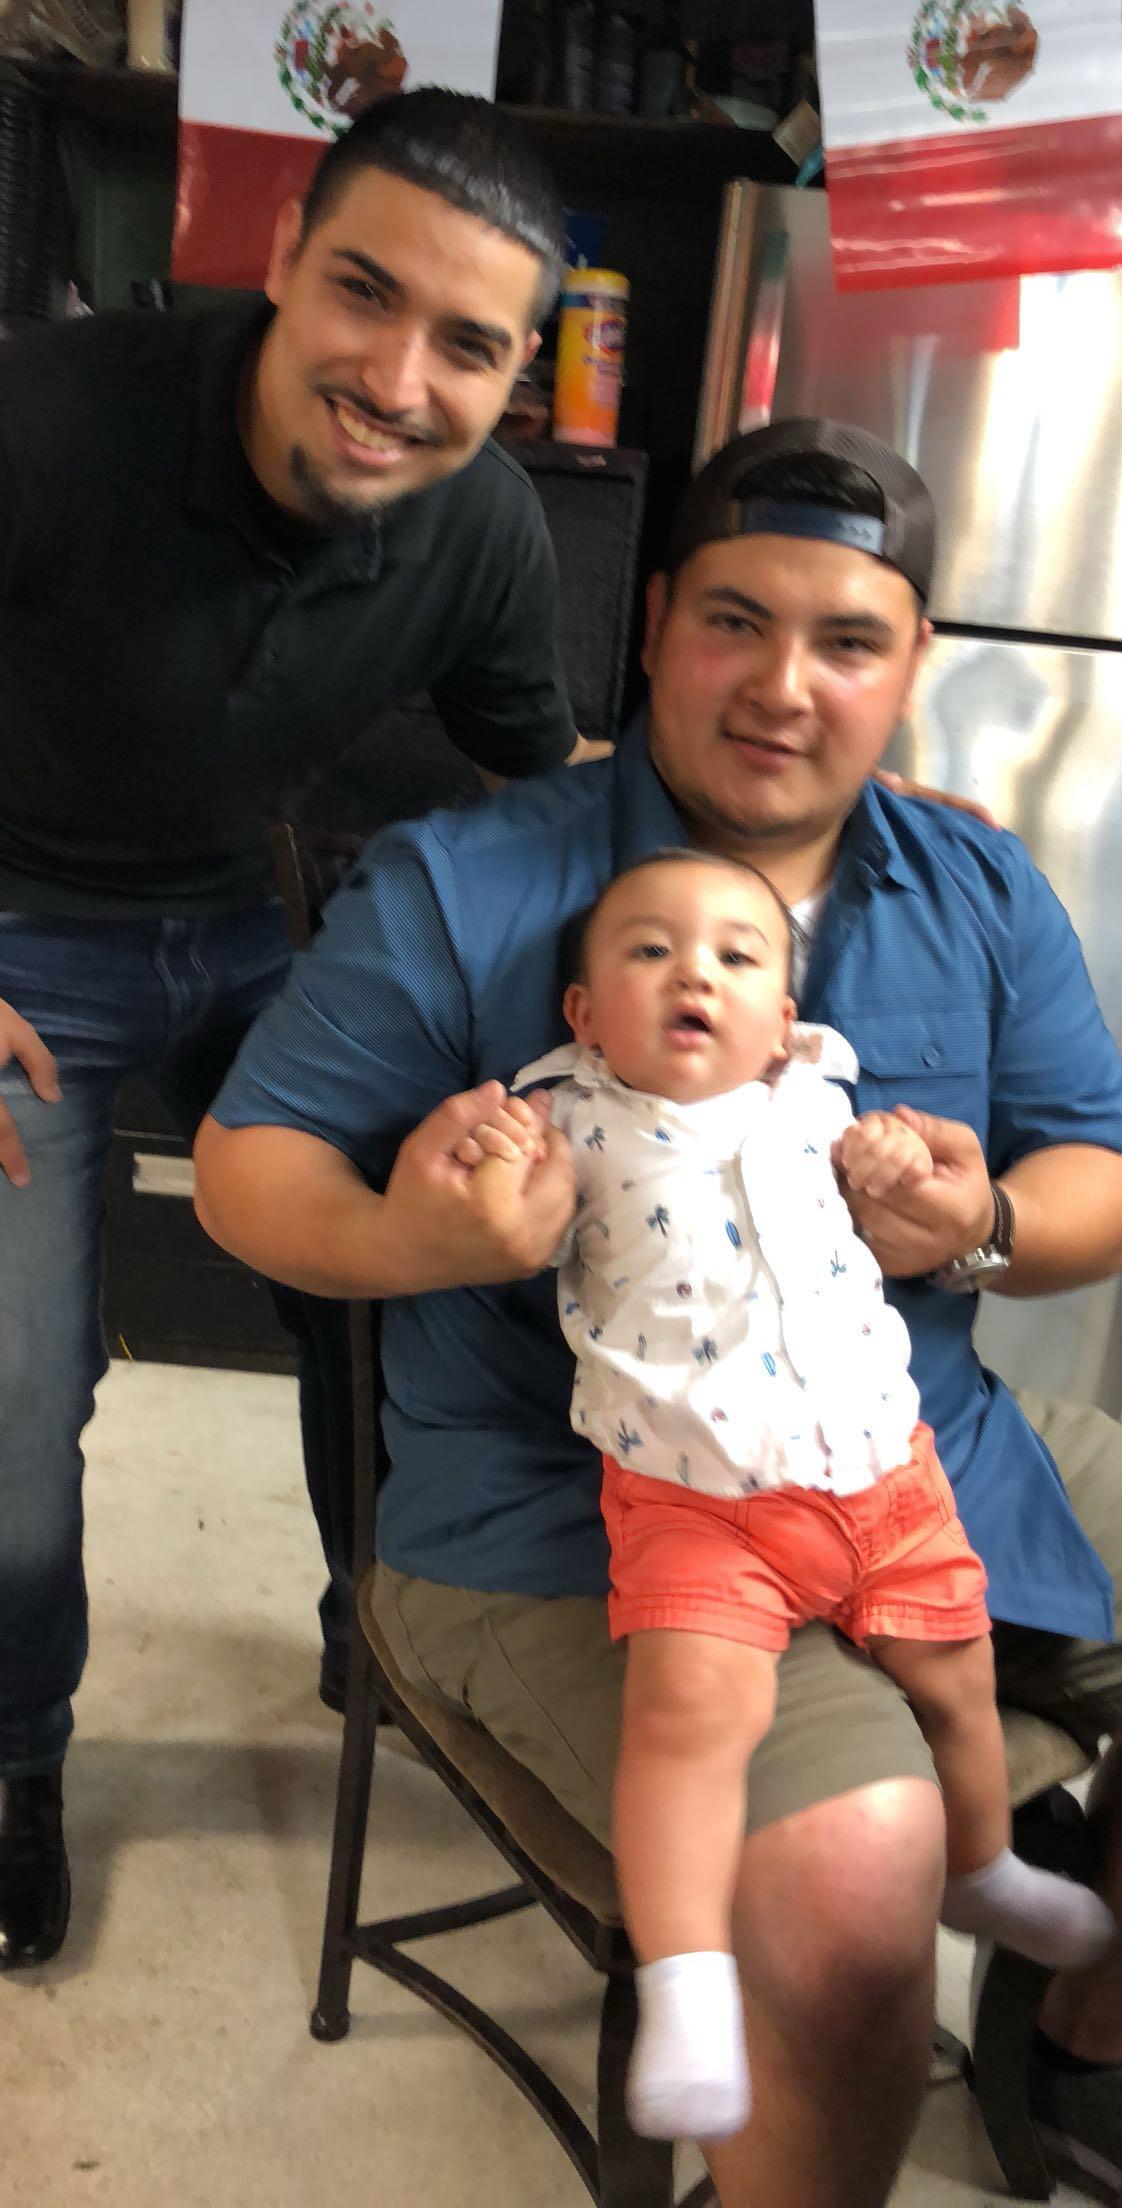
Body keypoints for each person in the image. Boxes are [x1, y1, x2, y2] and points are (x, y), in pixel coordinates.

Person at [196, 418, 1122, 2207]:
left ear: (911, 664)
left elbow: (1094, 1169)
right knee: (851, 1887)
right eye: (734, 623)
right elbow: (245, 1170)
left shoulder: (974, 883)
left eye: (845, 642)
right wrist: (419, 1235)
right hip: (581, 1521)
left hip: (922, 1456)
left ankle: (1074, 2026)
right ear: (654, 621)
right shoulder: (463, 885)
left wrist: (983, 1224)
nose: (782, 687)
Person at [0, 84, 598, 1972]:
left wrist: (823, 820)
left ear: (516, 372)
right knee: (13, 1397)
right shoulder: (50, 415)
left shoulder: (482, 530)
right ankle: (13, 1760)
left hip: (263, 932)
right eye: (363, 293)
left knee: (403, 1278)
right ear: (278, 256)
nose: (398, 382)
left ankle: (392, 1636)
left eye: (468, 346)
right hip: (18, 941)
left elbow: (547, 780)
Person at [457, 845, 1115, 2142]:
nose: (693, 975)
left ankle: (981, 1867)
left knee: (958, 1684)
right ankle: (688, 1982)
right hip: (695, 1507)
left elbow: (919, 1202)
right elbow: (493, 1206)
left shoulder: (822, 1098)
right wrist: (484, 1167)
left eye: (735, 957)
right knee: (689, 1727)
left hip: (883, 1475)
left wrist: (911, 1164)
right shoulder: (569, 1118)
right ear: (584, 1013)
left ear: (783, 1016)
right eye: (650, 952)